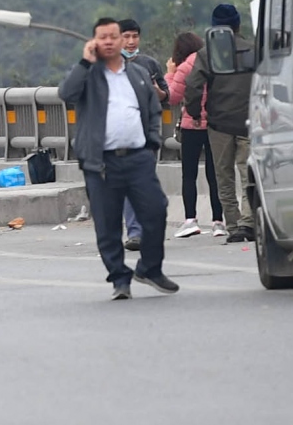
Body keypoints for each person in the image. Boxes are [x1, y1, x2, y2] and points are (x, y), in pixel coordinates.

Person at [58, 17, 179, 300]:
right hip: (101, 163)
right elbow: (67, 94)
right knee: (107, 223)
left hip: (138, 158)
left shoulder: (136, 73)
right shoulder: (88, 74)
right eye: (104, 37)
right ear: (95, 42)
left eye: (115, 36)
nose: (110, 41)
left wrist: (152, 143)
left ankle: (149, 267)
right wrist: (85, 62)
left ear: (123, 40)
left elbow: (152, 109)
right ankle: (119, 278)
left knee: (156, 210)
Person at [184, 3, 258, 243]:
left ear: (215, 28)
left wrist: (195, 113)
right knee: (248, 175)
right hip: (250, 121)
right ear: (238, 25)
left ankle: (234, 225)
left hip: (219, 124)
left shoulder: (207, 54)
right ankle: (249, 222)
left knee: (223, 176)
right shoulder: (253, 49)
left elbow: (193, 86)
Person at [166, 31, 224, 238]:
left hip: (192, 126)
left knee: (189, 174)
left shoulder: (184, 67)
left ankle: (191, 220)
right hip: (215, 125)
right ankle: (219, 221)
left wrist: (170, 72)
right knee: (214, 174)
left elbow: (172, 96)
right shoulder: (213, 63)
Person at [118, 18, 168, 251]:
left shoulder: (150, 64)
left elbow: (165, 95)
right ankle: (135, 232)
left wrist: (154, 88)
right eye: (126, 37)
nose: (130, 41)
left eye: (134, 36)